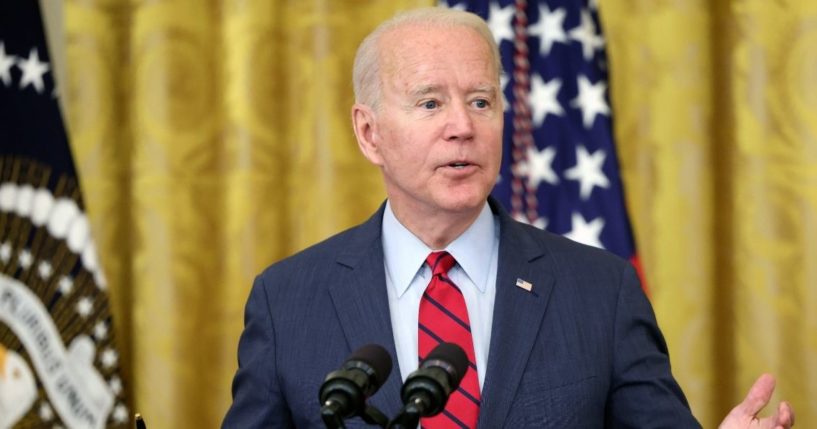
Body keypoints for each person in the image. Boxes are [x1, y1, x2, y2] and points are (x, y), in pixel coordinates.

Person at [222, 7, 794, 428]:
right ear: (369, 133)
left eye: (481, 101)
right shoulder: (288, 300)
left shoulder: (600, 290)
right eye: (429, 103)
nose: (462, 127)